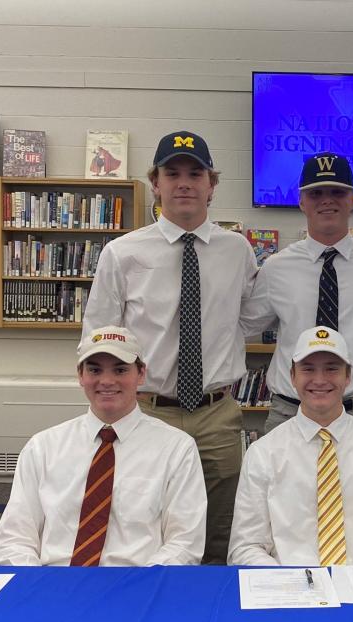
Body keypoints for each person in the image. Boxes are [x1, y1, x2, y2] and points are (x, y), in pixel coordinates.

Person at [82, 131, 257, 564]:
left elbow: (253, 318)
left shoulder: (238, 251)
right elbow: (99, 334)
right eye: (172, 173)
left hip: (217, 412)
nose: (184, 183)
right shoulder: (123, 253)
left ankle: (213, 613)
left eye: (195, 173)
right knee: (145, 516)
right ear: (155, 183)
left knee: (221, 525)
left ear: (211, 184)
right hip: (149, 408)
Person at [0, 326, 207, 566]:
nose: (106, 381)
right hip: (55, 584)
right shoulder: (42, 447)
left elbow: (185, 544)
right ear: (80, 375)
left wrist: (142, 587)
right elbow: (12, 541)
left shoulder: (176, 448)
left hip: (138, 585)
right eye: (94, 369)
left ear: (141, 374)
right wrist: (41, 587)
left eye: (120, 369)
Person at [241, 152, 353, 432]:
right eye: (316, 192)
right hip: (289, 414)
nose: (327, 200)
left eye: (337, 192)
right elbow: (246, 324)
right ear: (301, 201)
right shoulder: (276, 267)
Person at [228, 326, 353, 566]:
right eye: (308, 369)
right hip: (289, 591)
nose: (320, 380)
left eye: (332, 368)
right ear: (292, 376)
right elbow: (246, 546)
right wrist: (288, 586)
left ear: (348, 376)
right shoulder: (263, 453)